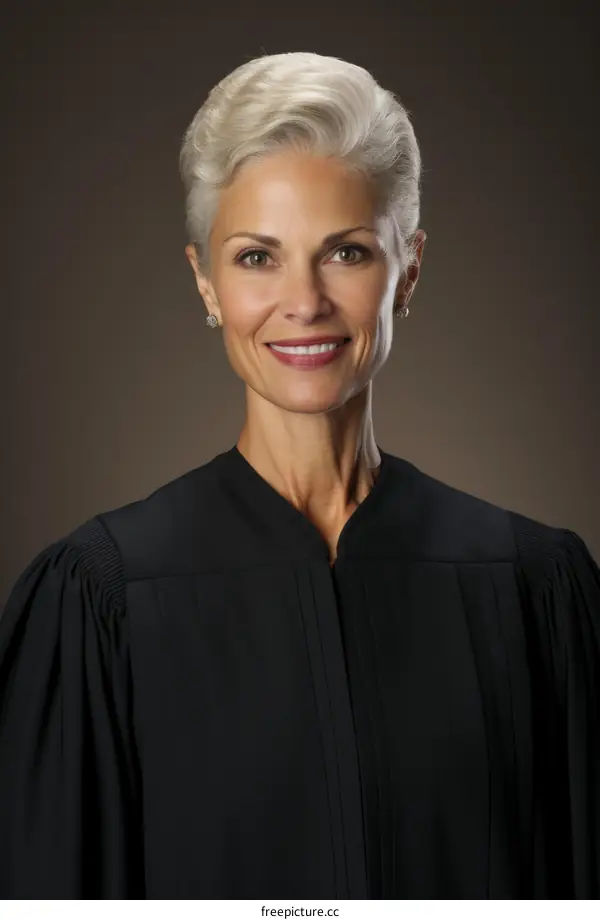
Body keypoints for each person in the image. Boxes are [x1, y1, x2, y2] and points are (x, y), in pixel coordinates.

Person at [1, 50, 599, 900]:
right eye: (256, 258)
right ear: (205, 282)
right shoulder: (101, 601)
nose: (305, 301)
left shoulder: (535, 589)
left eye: (347, 252)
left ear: (410, 270)